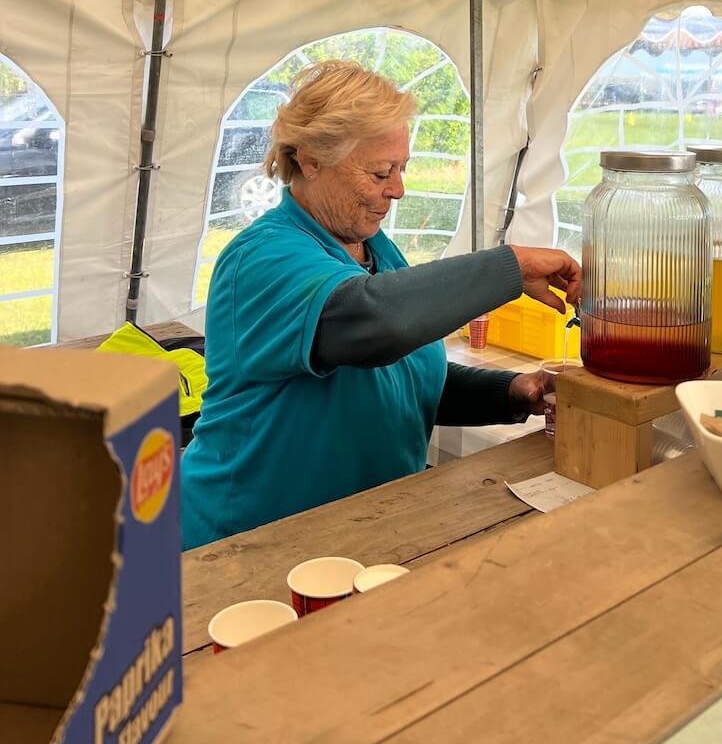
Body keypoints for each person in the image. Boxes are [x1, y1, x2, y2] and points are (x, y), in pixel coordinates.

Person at [180, 60, 581, 549]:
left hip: (358, 534)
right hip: (246, 543)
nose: (398, 189)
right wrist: (510, 267)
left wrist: (514, 391)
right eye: (380, 172)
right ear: (310, 160)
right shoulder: (262, 258)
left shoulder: (374, 250)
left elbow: (400, 379)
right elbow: (376, 322)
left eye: (401, 168)